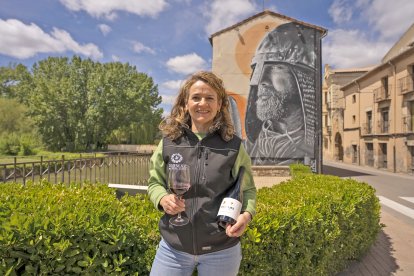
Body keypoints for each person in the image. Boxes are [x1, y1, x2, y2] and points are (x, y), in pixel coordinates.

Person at [147, 71, 256, 276]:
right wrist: (162, 198)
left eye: (210, 98)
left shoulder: (233, 146)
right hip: (173, 249)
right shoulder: (169, 143)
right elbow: (154, 183)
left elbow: (248, 189)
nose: (202, 103)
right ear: (185, 103)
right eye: (196, 97)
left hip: (222, 250)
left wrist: (246, 216)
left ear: (219, 105)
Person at [245, 22, 317, 165]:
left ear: (302, 79)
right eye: (258, 69)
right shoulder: (245, 149)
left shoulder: (309, 151)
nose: (260, 81)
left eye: (276, 67)